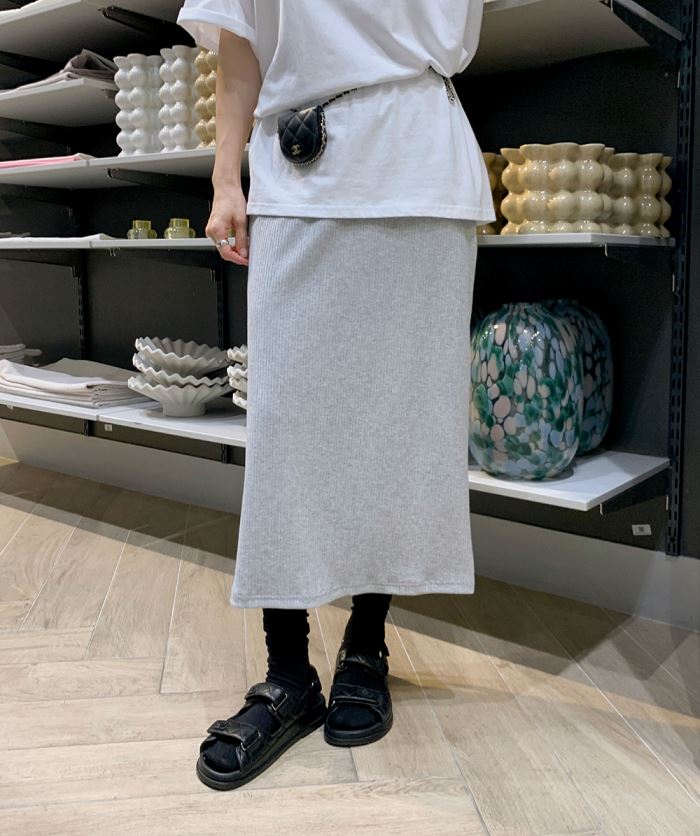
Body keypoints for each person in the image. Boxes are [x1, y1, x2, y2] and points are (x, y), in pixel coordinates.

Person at [175, 0, 495, 791]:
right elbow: (240, 47)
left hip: (420, 170)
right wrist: (224, 177)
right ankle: (288, 674)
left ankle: (366, 644)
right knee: (286, 433)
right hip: (298, 169)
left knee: (397, 425)